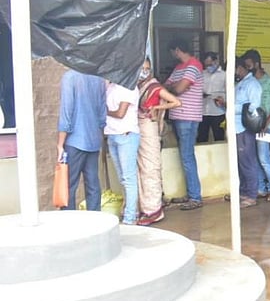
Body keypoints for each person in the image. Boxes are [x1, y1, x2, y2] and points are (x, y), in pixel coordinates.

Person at [135, 58, 181, 226]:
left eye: (147, 69)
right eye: (142, 69)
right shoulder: (137, 86)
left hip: (149, 129)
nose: (144, 72)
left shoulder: (155, 87)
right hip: (139, 129)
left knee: (150, 169)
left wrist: (156, 108)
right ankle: (143, 207)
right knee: (141, 169)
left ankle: (153, 210)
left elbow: (176, 102)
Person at [57, 69, 107, 211]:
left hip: (74, 141)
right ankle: (96, 223)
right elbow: (102, 114)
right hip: (93, 140)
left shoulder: (69, 77)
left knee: (68, 187)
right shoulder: (98, 79)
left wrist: (60, 144)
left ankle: (71, 226)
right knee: (93, 185)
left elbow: (66, 112)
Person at [164, 39, 204, 210]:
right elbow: (165, 86)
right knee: (185, 156)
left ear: (178, 49)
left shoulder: (193, 65)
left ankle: (195, 197)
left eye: (173, 51)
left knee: (187, 157)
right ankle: (191, 193)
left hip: (188, 117)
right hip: (179, 116)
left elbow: (178, 89)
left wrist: (174, 87)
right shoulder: (179, 68)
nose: (172, 55)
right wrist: (174, 87)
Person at [244, 49, 270, 202]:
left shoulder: (269, 81)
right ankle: (260, 187)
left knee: (264, 157)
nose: (247, 69)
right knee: (254, 158)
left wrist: (267, 122)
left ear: (257, 64)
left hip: (265, 127)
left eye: (249, 65)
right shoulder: (248, 82)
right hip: (250, 126)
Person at [104, 79, 141, 225]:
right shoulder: (111, 86)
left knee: (128, 179)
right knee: (122, 178)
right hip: (112, 134)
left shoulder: (129, 86)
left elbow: (120, 113)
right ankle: (130, 210)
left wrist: (103, 111)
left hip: (127, 135)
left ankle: (130, 218)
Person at [234, 59, 263, 207]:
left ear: (239, 68)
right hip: (236, 127)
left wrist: (234, 108)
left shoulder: (252, 84)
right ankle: (244, 192)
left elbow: (254, 105)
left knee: (248, 162)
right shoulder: (240, 84)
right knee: (241, 163)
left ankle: (251, 195)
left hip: (244, 127)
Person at [198, 51, 226, 143]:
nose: (208, 67)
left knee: (219, 137)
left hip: (218, 111)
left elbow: (229, 92)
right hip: (203, 111)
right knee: (202, 138)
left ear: (216, 61)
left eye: (210, 64)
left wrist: (223, 99)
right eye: (207, 65)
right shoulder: (202, 74)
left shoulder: (224, 75)